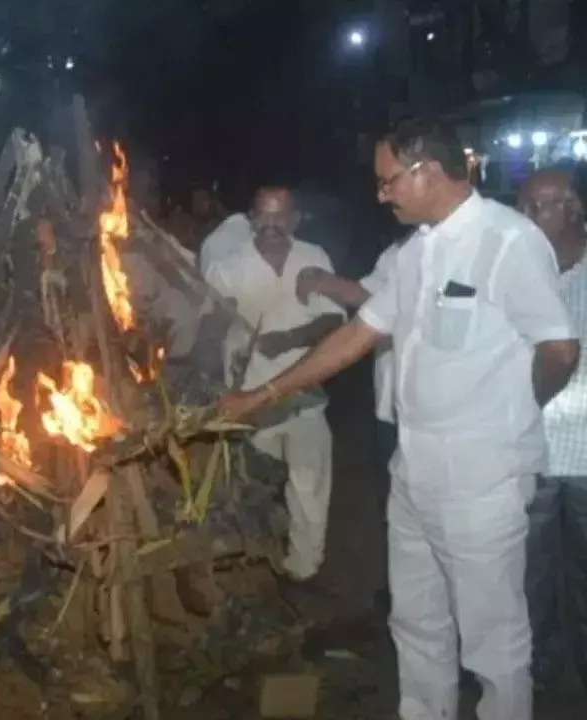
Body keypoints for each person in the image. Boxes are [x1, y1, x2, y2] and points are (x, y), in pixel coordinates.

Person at [219, 117, 581, 720]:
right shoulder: (417, 252)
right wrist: (260, 397)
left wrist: (517, 412)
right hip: (412, 469)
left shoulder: (507, 241)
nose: (381, 194)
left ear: (428, 172)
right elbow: (357, 336)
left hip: (481, 477)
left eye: (389, 182)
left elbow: (559, 349)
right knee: (416, 622)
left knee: (494, 643)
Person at [205, 187, 345, 583]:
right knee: (250, 489)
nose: (271, 226)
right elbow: (210, 326)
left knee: (308, 488)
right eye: (263, 218)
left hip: (305, 396)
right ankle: (254, 567)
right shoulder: (227, 266)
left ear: (295, 220)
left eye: (280, 217)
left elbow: (334, 320)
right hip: (247, 400)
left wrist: (291, 339)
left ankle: (304, 570)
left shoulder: (314, 257)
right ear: (250, 220)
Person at [296, 236, 406, 610]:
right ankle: (400, 592)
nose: (386, 196)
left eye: (393, 183)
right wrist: (327, 283)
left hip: (440, 422)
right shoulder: (398, 250)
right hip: (391, 411)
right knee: (394, 506)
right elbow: (370, 297)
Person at [518, 168, 587, 691]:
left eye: (536, 207)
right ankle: (541, 668)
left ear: (573, 209)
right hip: (533, 452)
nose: (527, 218)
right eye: (522, 206)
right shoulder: (520, 272)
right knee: (530, 574)